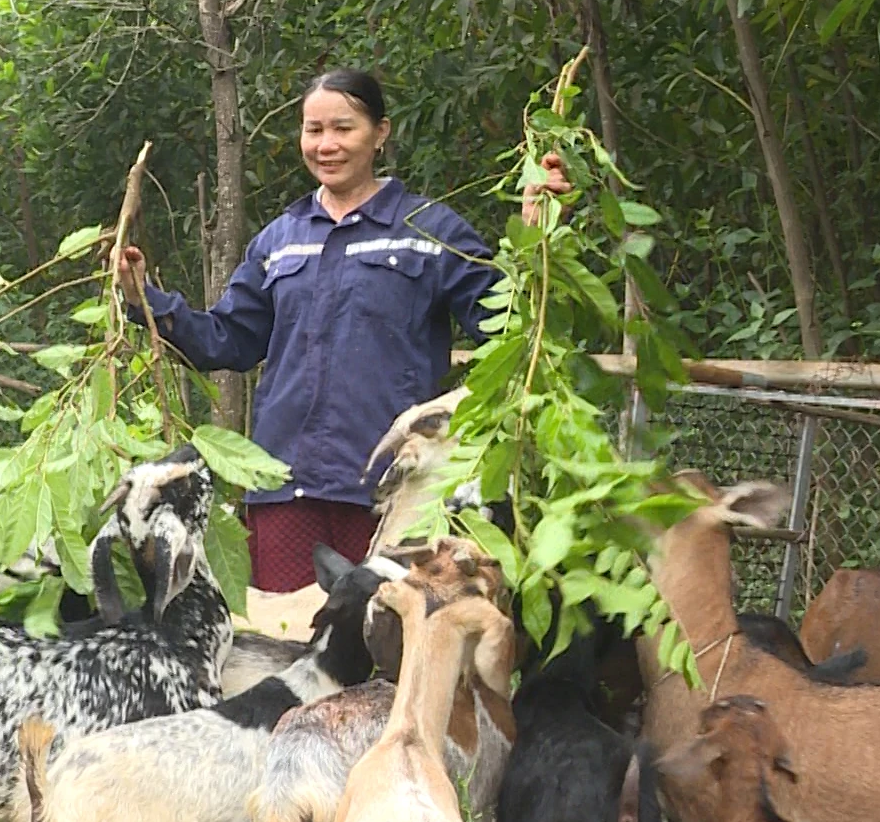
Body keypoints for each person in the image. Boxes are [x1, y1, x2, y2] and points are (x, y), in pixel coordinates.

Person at [117, 67, 567, 591]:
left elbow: (507, 329)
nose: (325, 144)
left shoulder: (430, 231)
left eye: (343, 128)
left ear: (380, 134)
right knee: (282, 647)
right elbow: (230, 340)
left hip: (394, 495)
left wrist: (537, 239)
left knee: (386, 652)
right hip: (284, 492)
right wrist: (143, 299)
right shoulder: (280, 240)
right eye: (313, 130)